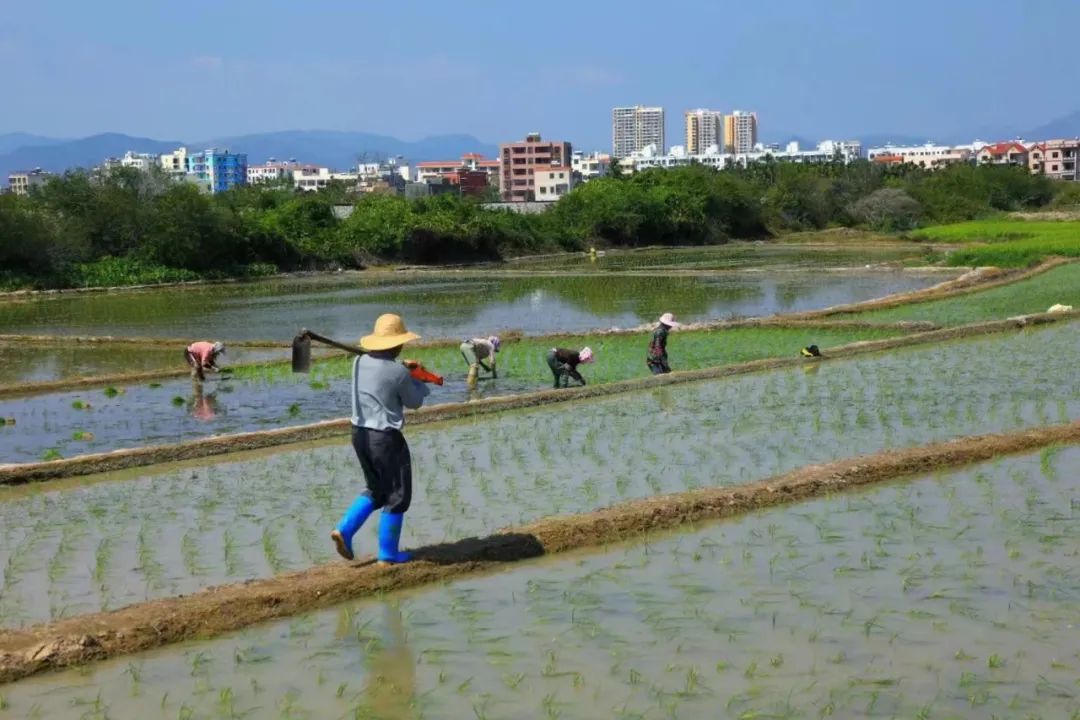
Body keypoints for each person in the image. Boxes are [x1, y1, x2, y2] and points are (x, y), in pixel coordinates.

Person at [331, 313, 430, 565]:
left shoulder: (359, 362)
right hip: (385, 439)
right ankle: (388, 554)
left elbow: (381, 375)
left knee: (377, 489)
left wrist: (403, 369)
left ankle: (344, 529)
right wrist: (419, 380)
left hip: (359, 434)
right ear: (397, 344)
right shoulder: (398, 373)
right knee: (398, 494)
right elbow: (415, 402)